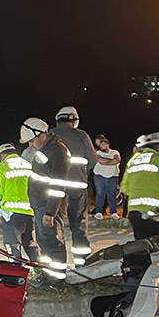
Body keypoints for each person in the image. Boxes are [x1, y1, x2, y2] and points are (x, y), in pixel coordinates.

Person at [19, 118, 70, 282]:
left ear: (42, 135)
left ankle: (57, 281)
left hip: (49, 206)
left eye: (32, 141)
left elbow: (58, 185)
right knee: (44, 242)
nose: (31, 145)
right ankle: (49, 277)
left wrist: (50, 212)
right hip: (41, 203)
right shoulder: (47, 149)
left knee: (52, 243)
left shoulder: (57, 152)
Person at [50, 107, 94, 265]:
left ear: (57, 120)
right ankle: (82, 264)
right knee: (79, 225)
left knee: (56, 224)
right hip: (77, 187)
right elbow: (93, 161)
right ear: (75, 121)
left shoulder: (50, 135)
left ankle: (58, 262)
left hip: (56, 188)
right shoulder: (82, 135)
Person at [120, 132, 159, 240]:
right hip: (154, 212)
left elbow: (124, 187)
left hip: (134, 212)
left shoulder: (134, 159)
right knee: (157, 248)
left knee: (141, 246)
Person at [0, 142, 39, 261]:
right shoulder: (28, 165)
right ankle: (39, 270)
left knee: (12, 244)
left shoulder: (1, 167)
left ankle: (16, 271)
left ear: (2, 155)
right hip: (29, 211)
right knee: (30, 244)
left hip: (10, 213)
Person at [91, 135, 120, 219]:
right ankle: (99, 212)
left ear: (107, 144)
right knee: (100, 194)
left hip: (112, 176)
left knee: (112, 195)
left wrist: (105, 162)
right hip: (100, 176)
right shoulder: (97, 153)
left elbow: (117, 160)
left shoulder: (115, 152)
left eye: (103, 144)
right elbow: (100, 160)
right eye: (100, 145)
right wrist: (110, 162)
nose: (101, 146)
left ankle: (113, 212)